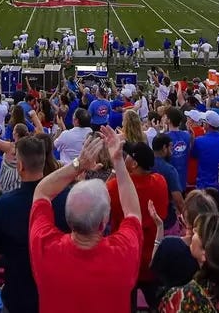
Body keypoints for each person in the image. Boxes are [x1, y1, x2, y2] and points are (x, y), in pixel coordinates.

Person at [29, 126, 142, 313]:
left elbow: (42, 192)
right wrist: (118, 162)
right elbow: (132, 213)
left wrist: (78, 164)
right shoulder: (123, 252)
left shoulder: (45, 247)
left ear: (68, 218)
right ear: (103, 222)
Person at [0, 136, 69, 313]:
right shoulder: (66, 197)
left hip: (18, 296)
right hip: (56, 294)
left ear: (20, 166)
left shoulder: (5, 204)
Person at [107, 140, 168, 307]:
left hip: (125, 259)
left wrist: (115, 171)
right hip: (152, 259)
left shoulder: (114, 186)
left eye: (127, 157)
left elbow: (102, 203)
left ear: (134, 164)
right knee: (158, 306)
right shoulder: (160, 182)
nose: (124, 159)